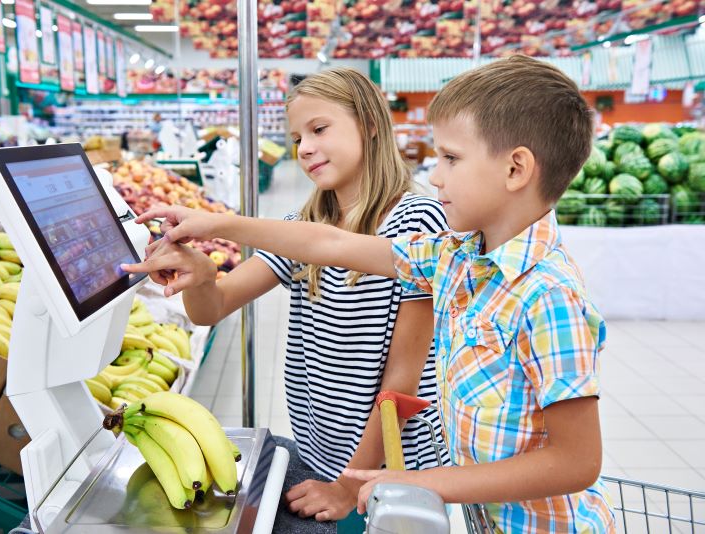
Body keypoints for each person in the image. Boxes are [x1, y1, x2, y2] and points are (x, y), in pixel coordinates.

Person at [124, 55, 616, 532]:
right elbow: (326, 243)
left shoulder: (532, 287)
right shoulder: (457, 257)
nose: (437, 174)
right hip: (391, 476)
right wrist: (210, 249)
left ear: (515, 169)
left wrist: (403, 482)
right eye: (297, 137)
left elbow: (574, 459)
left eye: (450, 158)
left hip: (425, 479)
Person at [129, 67, 450, 530]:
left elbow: (404, 380)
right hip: (320, 455)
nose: (305, 149)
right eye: (297, 137)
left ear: (371, 123)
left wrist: (349, 485)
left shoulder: (417, 221)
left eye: (319, 129)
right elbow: (213, 308)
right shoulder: (301, 224)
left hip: (388, 473)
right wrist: (201, 276)